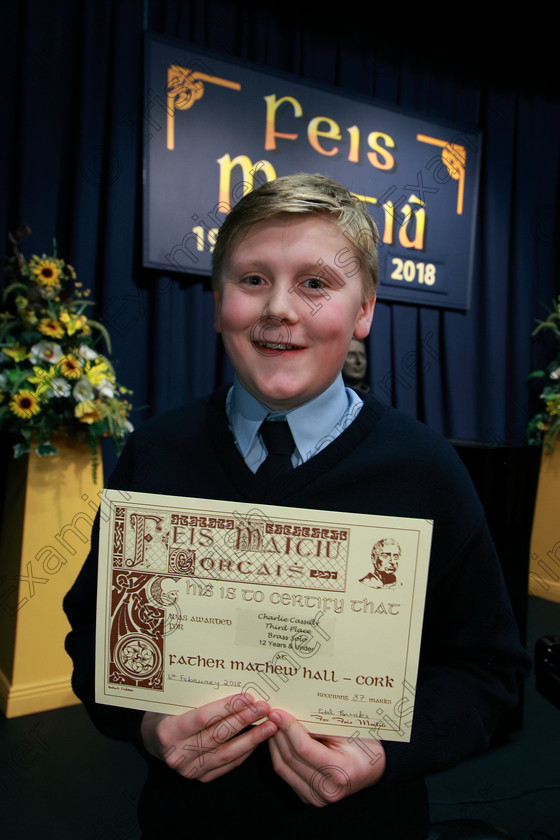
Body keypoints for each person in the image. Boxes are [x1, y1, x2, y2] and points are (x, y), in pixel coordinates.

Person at [64, 173, 530, 839]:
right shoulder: (158, 453)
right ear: (219, 298)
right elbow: (90, 640)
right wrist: (142, 723)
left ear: (364, 309)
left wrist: (384, 755)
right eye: (253, 280)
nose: (279, 308)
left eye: (315, 283)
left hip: (365, 826)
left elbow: (490, 673)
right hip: (187, 824)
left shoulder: (427, 470)